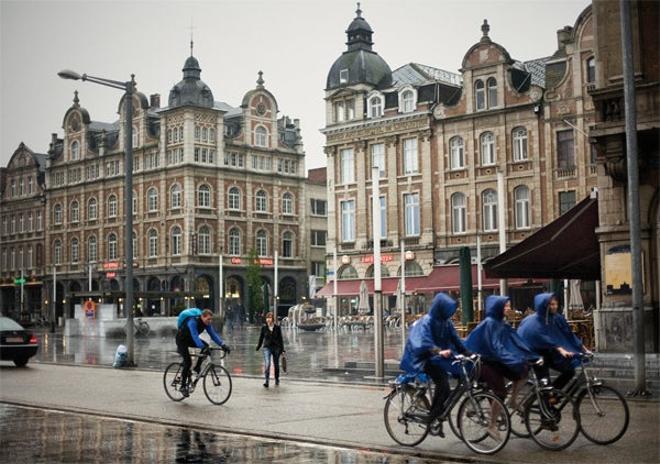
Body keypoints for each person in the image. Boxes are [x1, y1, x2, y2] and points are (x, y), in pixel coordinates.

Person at [465, 295, 539, 438]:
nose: (508, 308)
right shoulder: (490, 323)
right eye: (505, 306)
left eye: (509, 306)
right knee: (500, 393)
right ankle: (491, 426)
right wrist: (513, 359)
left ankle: (513, 401)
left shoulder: (502, 323)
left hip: (497, 360)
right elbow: (495, 347)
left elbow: (516, 341)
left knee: (523, 373)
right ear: (497, 308)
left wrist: (530, 356)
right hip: (485, 362)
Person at [400, 293, 470, 426]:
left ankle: (440, 411)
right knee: (442, 382)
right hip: (422, 358)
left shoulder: (446, 322)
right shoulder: (427, 321)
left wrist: (466, 352)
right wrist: (438, 350)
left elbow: (455, 338)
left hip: (437, 357)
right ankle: (433, 414)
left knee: (454, 378)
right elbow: (422, 341)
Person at [518, 293, 589, 390]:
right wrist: (561, 350)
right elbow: (543, 337)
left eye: (555, 304)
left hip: (549, 351)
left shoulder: (556, 318)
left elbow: (568, 333)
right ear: (544, 306)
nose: (554, 306)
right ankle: (547, 400)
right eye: (551, 304)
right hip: (535, 353)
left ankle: (554, 395)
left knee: (569, 370)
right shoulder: (535, 321)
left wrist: (583, 348)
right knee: (545, 383)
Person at [176, 308, 231, 397]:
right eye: (208, 319)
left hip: (190, 339)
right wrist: (202, 347)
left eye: (211, 319)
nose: (210, 321)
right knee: (188, 362)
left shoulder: (207, 324)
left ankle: (197, 367)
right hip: (181, 340)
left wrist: (223, 345)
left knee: (206, 346)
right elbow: (195, 336)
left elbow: (213, 335)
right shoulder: (192, 321)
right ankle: (182, 386)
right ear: (202, 316)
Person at [256, 311, 285, 387]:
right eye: (267, 318)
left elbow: (280, 339)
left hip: (276, 348)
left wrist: (282, 350)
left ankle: (277, 379)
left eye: (270, 318)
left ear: (273, 319)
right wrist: (258, 346)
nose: (268, 319)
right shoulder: (264, 328)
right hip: (267, 347)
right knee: (267, 364)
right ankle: (267, 381)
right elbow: (261, 338)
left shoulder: (277, 328)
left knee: (276, 365)